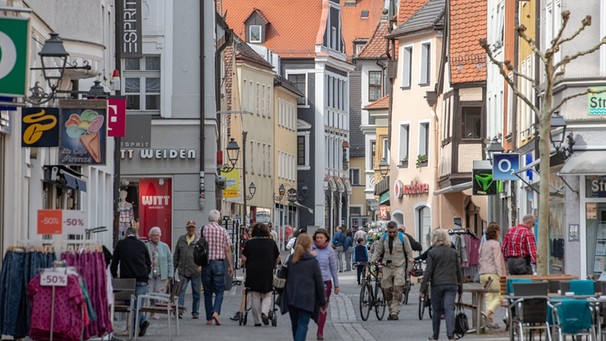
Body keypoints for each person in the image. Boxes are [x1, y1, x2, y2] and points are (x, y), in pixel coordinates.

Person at [280, 233, 327, 341]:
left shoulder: (291, 259)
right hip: (307, 298)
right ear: (309, 245)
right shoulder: (312, 261)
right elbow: (319, 283)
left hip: (291, 296)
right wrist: (322, 301)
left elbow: (284, 277)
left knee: (295, 324)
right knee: (303, 324)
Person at [420, 229, 463, 341]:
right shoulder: (453, 252)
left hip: (437, 285)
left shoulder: (432, 253)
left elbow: (428, 272)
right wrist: (460, 287)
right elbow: (458, 271)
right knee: (449, 309)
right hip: (451, 284)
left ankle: (435, 336)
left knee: (437, 310)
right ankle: (451, 335)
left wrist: (422, 289)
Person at [110, 226, 151, 337]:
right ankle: (142, 322)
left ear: (126, 234)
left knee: (130, 303)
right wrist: (146, 274)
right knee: (137, 305)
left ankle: (132, 330)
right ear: (136, 234)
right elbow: (148, 263)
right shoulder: (142, 244)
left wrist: (114, 275)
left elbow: (114, 262)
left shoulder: (121, 244)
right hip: (142, 279)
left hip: (127, 280)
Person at [369, 221, 412, 320]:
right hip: (386, 266)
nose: (392, 234)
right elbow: (378, 250)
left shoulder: (403, 238)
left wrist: (409, 268)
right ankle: (390, 308)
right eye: (390, 232)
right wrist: (372, 261)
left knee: (398, 288)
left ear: (397, 229)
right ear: (387, 230)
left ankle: (394, 312)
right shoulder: (384, 238)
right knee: (386, 288)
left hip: (399, 266)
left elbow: (409, 253)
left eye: (394, 232)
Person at [241, 223, 280, 326]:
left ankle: (257, 321)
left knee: (255, 295)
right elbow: (278, 257)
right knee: (267, 294)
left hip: (252, 271)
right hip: (267, 270)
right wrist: (275, 265)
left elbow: (244, 258)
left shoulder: (250, 243)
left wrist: (245, 264)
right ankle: (264, 312)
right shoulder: (271, 243)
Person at [201, 209, 234, 326]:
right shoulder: (223, 231)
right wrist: (230, 265)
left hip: (206, 264)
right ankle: (216, 311)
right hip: (219, 263)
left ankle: (209, 319)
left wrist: (199, 264)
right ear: (218, 219)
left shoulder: (203, 229)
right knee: (220, 291)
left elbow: (199, 247)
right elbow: (227, 249)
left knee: (207, 291)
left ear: (209, 219)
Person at [312, 228, 339, 340]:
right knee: (313, 307)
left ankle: (320, 331)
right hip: (312, 281)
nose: (319, 240)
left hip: (325, 282)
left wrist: (336, 284)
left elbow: (333, 268)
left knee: (323, 306)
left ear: (326, 238)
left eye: (321, 238)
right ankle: (318, 319)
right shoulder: (311, 249)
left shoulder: (330, 251)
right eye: (317, 238)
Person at [478, 222, 506, 329]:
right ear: (495, 234)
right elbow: (497, 261)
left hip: (483, 273)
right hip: (493, 273)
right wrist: (501, 275)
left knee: (490, 296)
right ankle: (487, 313)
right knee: (500, 295)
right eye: (498, 233)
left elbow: (480, 259)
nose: (499, 235)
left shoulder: (484, 244)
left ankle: (490, 321)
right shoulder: (495, 244)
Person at [173, 220, 201, 319]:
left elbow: (202, 255)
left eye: (192, 227)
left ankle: (195, 312)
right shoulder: (181, 239)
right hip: (183, 270)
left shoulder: (199, 240)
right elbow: (176, 255)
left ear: (195, 228)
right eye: (189, 227)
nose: (191, 229)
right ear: (186, 228)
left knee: (196, 292)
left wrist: (201, 266)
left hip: (195, 271)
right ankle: (179, 311)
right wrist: (173, 269)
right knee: (181, 291)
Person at [146, 226, 174, 320]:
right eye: (154, 235)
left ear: (160, 236)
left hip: (162, 273)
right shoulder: (146, 246)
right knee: (150, 291)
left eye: (157, 235)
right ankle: (152, 309)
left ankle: (156, 311)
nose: (156, 237)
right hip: (150, 273)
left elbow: (170, 261)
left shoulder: (165, 246)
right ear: (150, 236)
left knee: (158, 292)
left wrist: (171, 273)